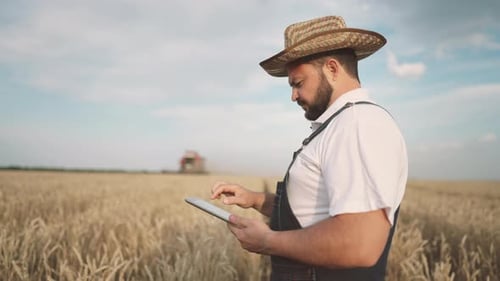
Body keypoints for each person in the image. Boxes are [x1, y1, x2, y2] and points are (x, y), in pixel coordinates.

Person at [211, 15, 408, 281]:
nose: (293, 96)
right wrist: (255, 199)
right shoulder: (342, 125)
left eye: (298, 83)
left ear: (332, 69)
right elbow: (314, 213)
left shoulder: (357, 125)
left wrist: (267, 241)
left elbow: (360, 242)